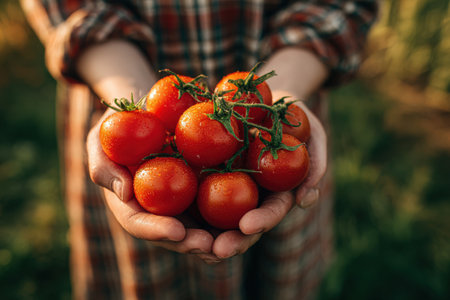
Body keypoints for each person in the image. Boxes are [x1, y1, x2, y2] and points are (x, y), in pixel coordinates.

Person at [21, 0, 378, 299]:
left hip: (285, 83)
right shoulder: (169, 126)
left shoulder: (275, 134)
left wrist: (288, 88)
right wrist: (124, 96)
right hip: (113, 78)